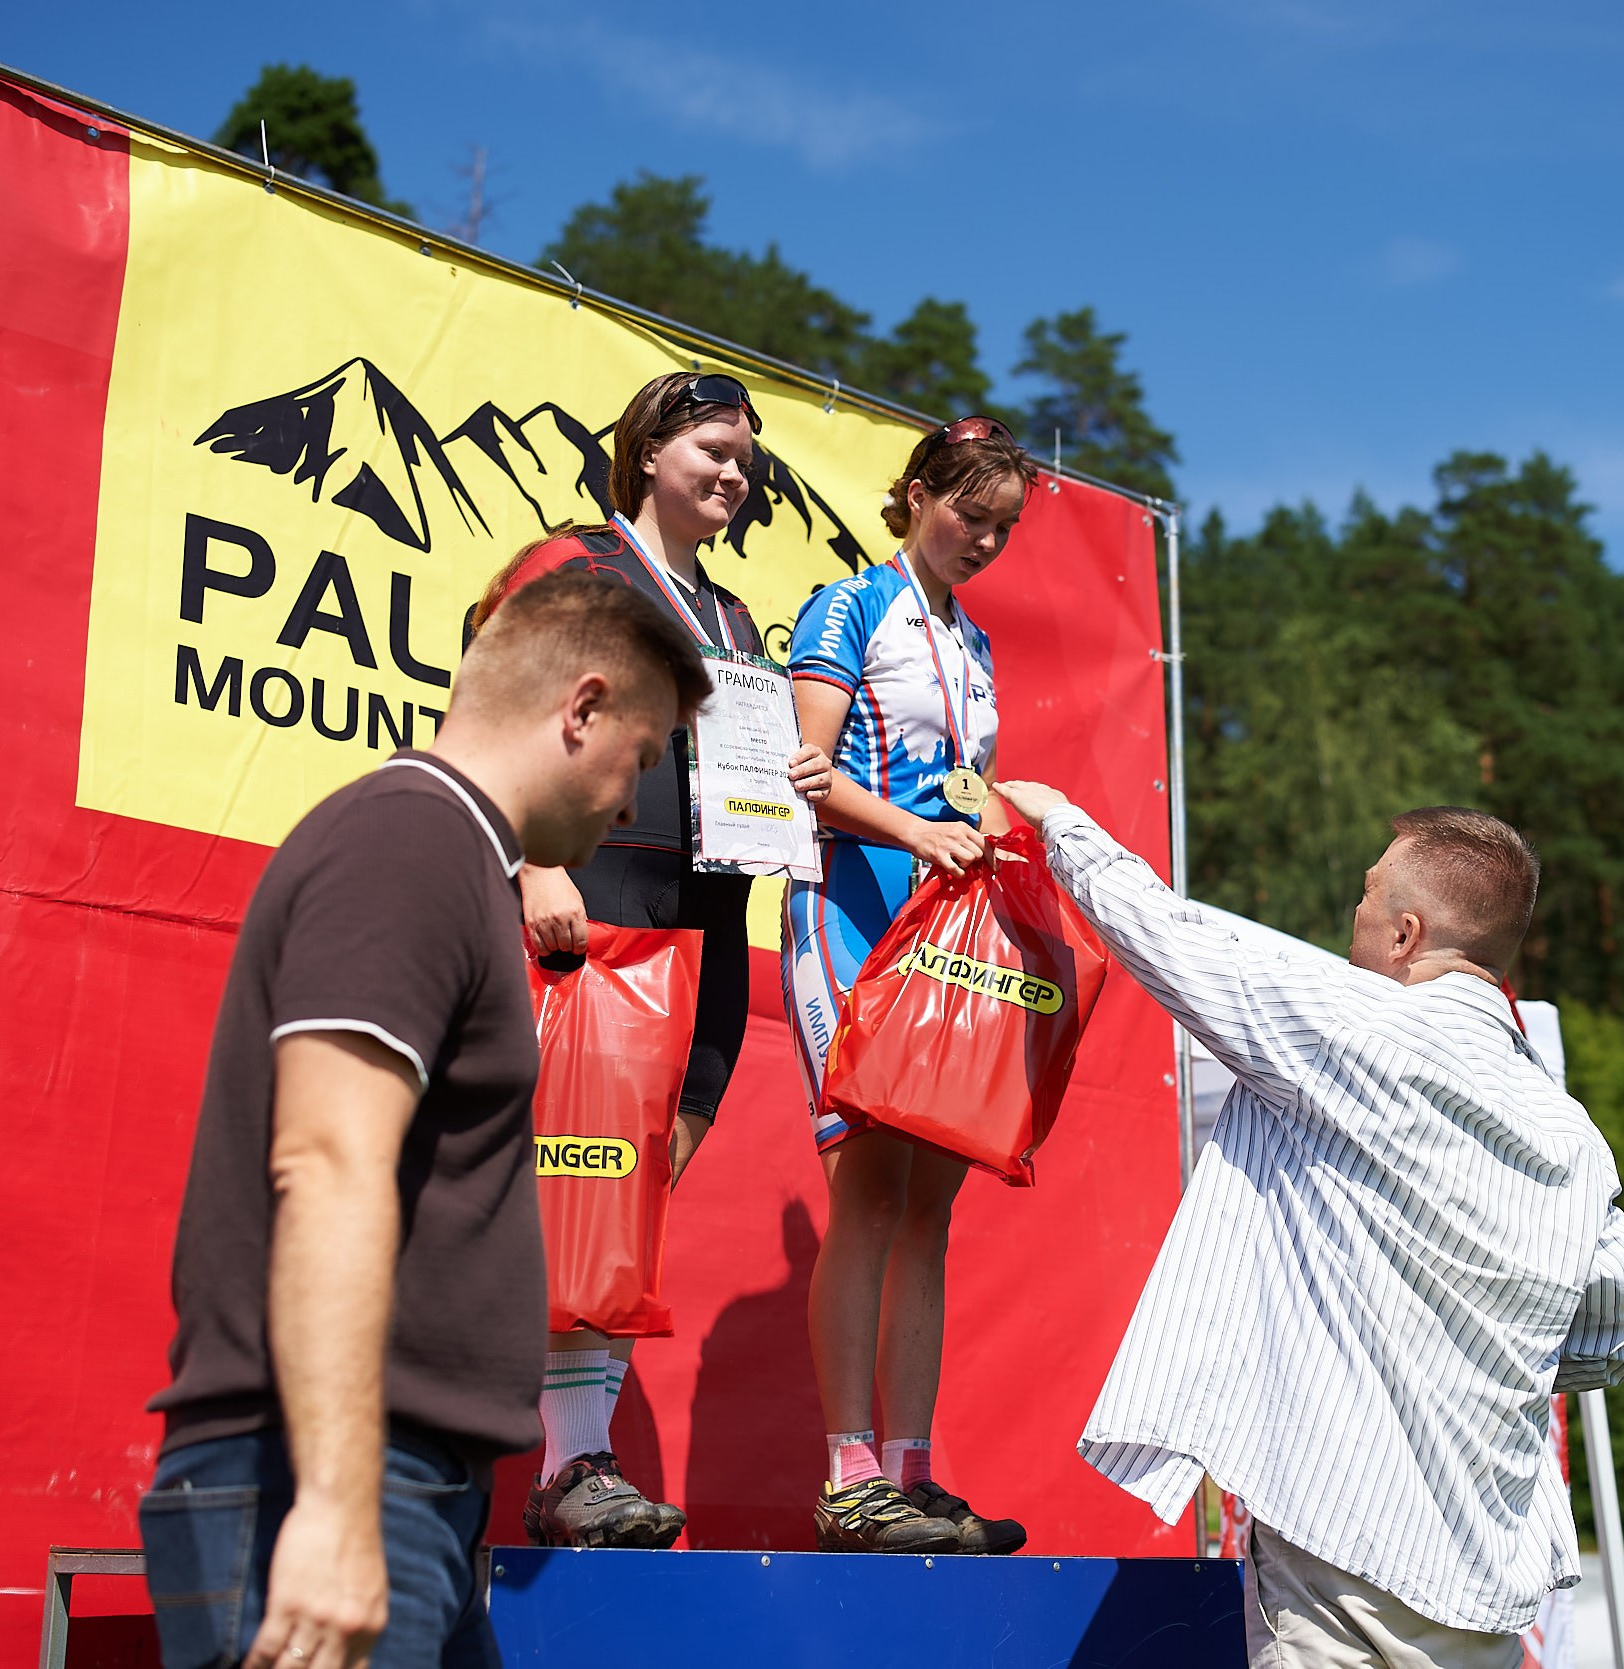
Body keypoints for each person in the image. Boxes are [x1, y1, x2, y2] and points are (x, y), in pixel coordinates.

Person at [141, 572, 713, 1669]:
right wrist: (336, 1509)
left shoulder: (452, 857)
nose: (631, 802)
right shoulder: (409, 842)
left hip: (403, 1487)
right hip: (331, 1479)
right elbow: (327, 1159)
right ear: (579, 709)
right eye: (639, 761)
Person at [990, 781, 1624, 1669]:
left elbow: (1174, 938)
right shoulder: (1574, 1135)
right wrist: (1487, 1345)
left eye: (1368, 894)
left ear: (1407, 934)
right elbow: (1612, 1338)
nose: (1355, 913)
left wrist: (1058, 820)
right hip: (1486, 1577)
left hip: (1341, 1539)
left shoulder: (1352, 1029)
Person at [469, 369, 833, 1550]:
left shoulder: (732, 624)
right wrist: (533, 857)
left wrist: (793, 794)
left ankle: (578, 1464)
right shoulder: (572, 562)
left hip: (710, 923)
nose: (732, 471)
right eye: (711, 447)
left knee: (627, 1186)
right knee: (564, 1182)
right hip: (597, 905)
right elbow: (487, 694)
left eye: (744, 456)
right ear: (647, 450)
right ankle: (568, 1465)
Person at [782, 416, 1041, 1554]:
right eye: (966, 514)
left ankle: (913, 1469)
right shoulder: (847, 604)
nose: (982, 540)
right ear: (917, 492)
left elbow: (968, 786)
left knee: (930, 1205)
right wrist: (913, 833)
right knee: (869, 1188)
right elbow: (804, 775)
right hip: (848, 906)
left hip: (944, 926)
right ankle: (848, 1473)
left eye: (1002, 527)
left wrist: (990, 832)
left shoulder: (979, 646)